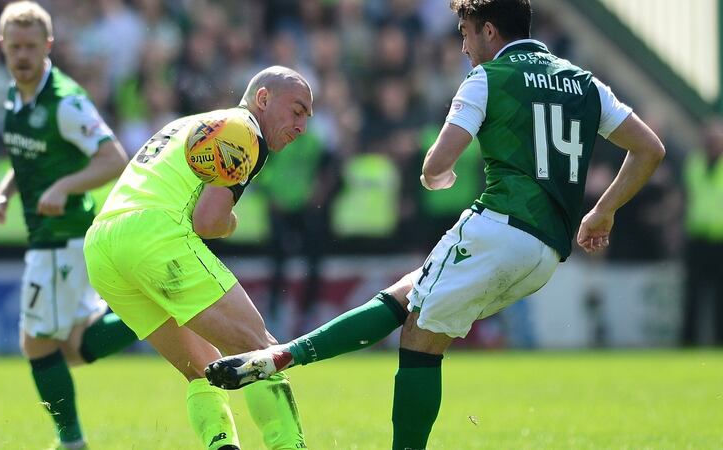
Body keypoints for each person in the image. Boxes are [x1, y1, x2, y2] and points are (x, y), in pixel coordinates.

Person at [205, 1, 666, 449]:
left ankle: (282, 359)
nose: (463, 47)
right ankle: (275, 357)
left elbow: (437, 163)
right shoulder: (585, 84)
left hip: (498, 228)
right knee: (410, 297)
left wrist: (434, 174)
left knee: (418, 337)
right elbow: (650, 149)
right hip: (546, 254)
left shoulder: (487, 78)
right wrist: (602, 210)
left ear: (488, 31)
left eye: (466, 34)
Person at [83, 66, 313, 450]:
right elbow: (208, 222)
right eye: (297, 110)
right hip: (152, 235)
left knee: (200, 370)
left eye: (307, 117)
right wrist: (231, 223)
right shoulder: (244, 131)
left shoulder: (195, 120)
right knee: (262, 350)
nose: (301, 125)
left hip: (103, 245)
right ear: (263, 99)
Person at [0, 2, 137, 449]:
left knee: (38, 346)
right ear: (2, 46)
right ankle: (151, 310)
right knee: (70, 347)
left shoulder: (65, 101)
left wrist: (64, 188)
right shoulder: (16, 95)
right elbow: (31, 155)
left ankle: (71, 441)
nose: (22, 55)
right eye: (14, 47)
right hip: (48, 238)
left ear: (48, 45)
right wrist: (6, 190)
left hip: (62, 238)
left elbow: (114, 158)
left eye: (31, 46)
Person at [682, 117, 723, 346]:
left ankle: (719, 341)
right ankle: (687, 342)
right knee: (692, 293)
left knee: (720, 296)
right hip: (697, 236)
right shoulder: (695, 163)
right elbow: (688, 197)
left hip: (720, 237)